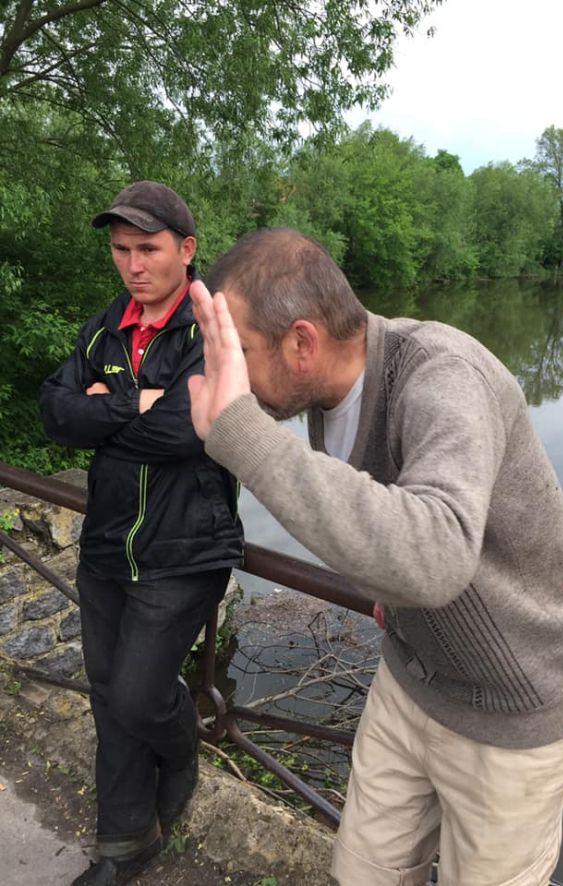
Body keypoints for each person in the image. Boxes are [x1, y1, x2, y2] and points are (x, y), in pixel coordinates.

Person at [186, 227, 563, 886]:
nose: (225, 375)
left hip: (517, 706)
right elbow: (390, 526)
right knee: (361, 872)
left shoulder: (444, 374)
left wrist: (239, 435)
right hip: (413, 680)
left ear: (302, 342)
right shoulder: (326, 398)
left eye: (237, 352)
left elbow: (436, 557)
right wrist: (389, 582)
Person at [40, 181, 244, 885]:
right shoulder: (102, 330)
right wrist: (137, 401)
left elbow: (194, 431)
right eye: (122, 249)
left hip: (186, 547)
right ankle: (123, 843)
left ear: (186, 250)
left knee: (134, 694)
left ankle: (182, 747)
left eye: (149, 248)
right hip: (107, 545)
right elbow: (56, 414)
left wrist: (109, 410)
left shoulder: (213, 328)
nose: (133, 264)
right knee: (106, 691)